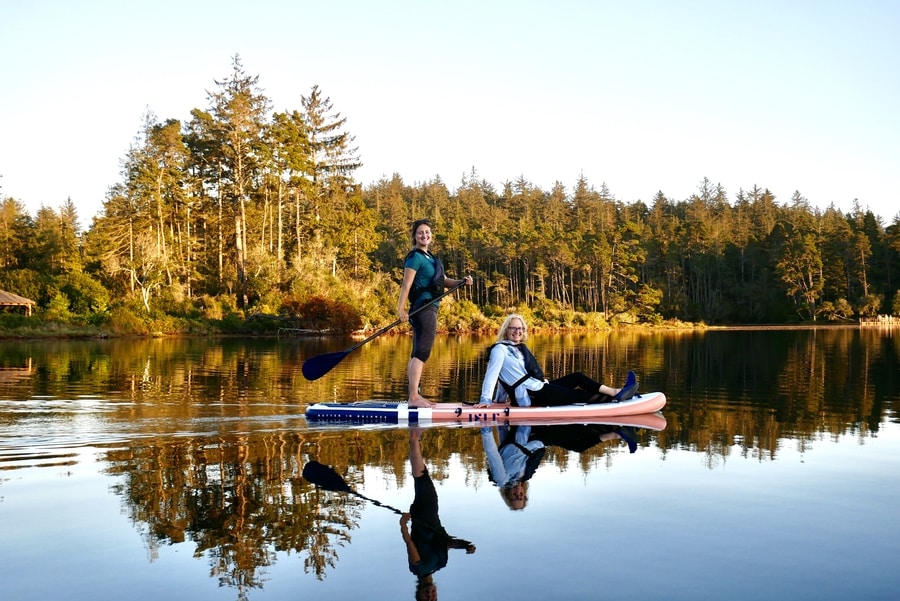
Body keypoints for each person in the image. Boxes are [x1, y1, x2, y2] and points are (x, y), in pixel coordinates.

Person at [477, 313, 639, 408]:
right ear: (506, 330)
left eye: (520, 328)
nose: (517, 332)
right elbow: (492, 375)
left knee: (577, 377)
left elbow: (505, 379)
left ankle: (615, 392)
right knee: (576, 395)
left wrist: (499, 401)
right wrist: (485, 400)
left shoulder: (516, 349)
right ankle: (616, 398)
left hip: (538, 387)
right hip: (531, 395)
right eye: (513, 328)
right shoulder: (499, 349)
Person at [397, 219, 473, 408]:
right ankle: (414, 397)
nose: (425, 235)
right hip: (423, 308)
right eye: (421, 232)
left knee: (419, 351)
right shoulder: (415, 257)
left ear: (431, 235)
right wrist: (400, 309)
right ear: (415, 236)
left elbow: (444, 281)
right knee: (422, 351)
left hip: (430, 308)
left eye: (428, 232)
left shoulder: (431, 258)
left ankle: (414, 395)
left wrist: (461, 281)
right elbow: (406, 284)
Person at [481, 421, 642, 510]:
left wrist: (486, 428)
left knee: (574, 434)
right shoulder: (527, 475)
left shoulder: (501, 479)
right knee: (578, 446)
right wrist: (541, 445)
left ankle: (615, 427)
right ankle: (616, 433)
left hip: (526, 435)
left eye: (515, 496)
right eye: (521, 496)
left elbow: (492, 452)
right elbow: (537, 456)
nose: (518, 494)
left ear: (508, 494)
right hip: (538, 441)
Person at [401, 426, 475, 599]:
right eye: (434, 597)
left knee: (422, 478)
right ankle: (414, 439)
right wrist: (465, 545)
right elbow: (446, 542)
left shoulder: (417, 569)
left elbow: (409, 543)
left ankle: (414, 437)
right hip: (432, 516)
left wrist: (403, 525)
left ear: (419, 595)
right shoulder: (441, 563)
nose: (431, 595)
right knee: (421, 478)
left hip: (424, 516)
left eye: (426, 598)